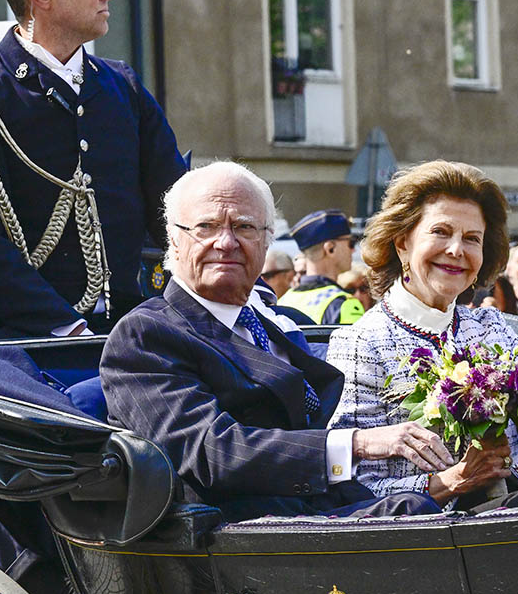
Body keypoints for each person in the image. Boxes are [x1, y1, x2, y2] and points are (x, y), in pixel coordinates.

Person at [100, 162, 450, 521]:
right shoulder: (146, 334)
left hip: (325, 505)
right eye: (206, 227)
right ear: (174, 239)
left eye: (244, 227)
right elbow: (211, 451)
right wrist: (357, 444)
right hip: (241, 536)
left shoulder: (273, 323)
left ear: (266, 241)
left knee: (472, 511)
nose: (226, 242)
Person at [326, 160, 518, 511]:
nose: (457, 250)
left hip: (513, 500)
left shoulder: (488, 326)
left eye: (472, 239)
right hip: (436, 526)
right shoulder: (362, 342)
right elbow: (351, 486)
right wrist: (454, 480)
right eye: (440, 232)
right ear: (402, 243)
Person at [0, 0, 186, 338]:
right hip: (18, 339)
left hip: (129, 329)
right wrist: (65, 326)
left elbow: (178, 207)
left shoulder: (123, 87)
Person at [278, 210, 365, 324]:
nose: (353, 250)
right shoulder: (345, 305)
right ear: (330, 249)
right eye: (351, 243)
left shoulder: (283, 301)